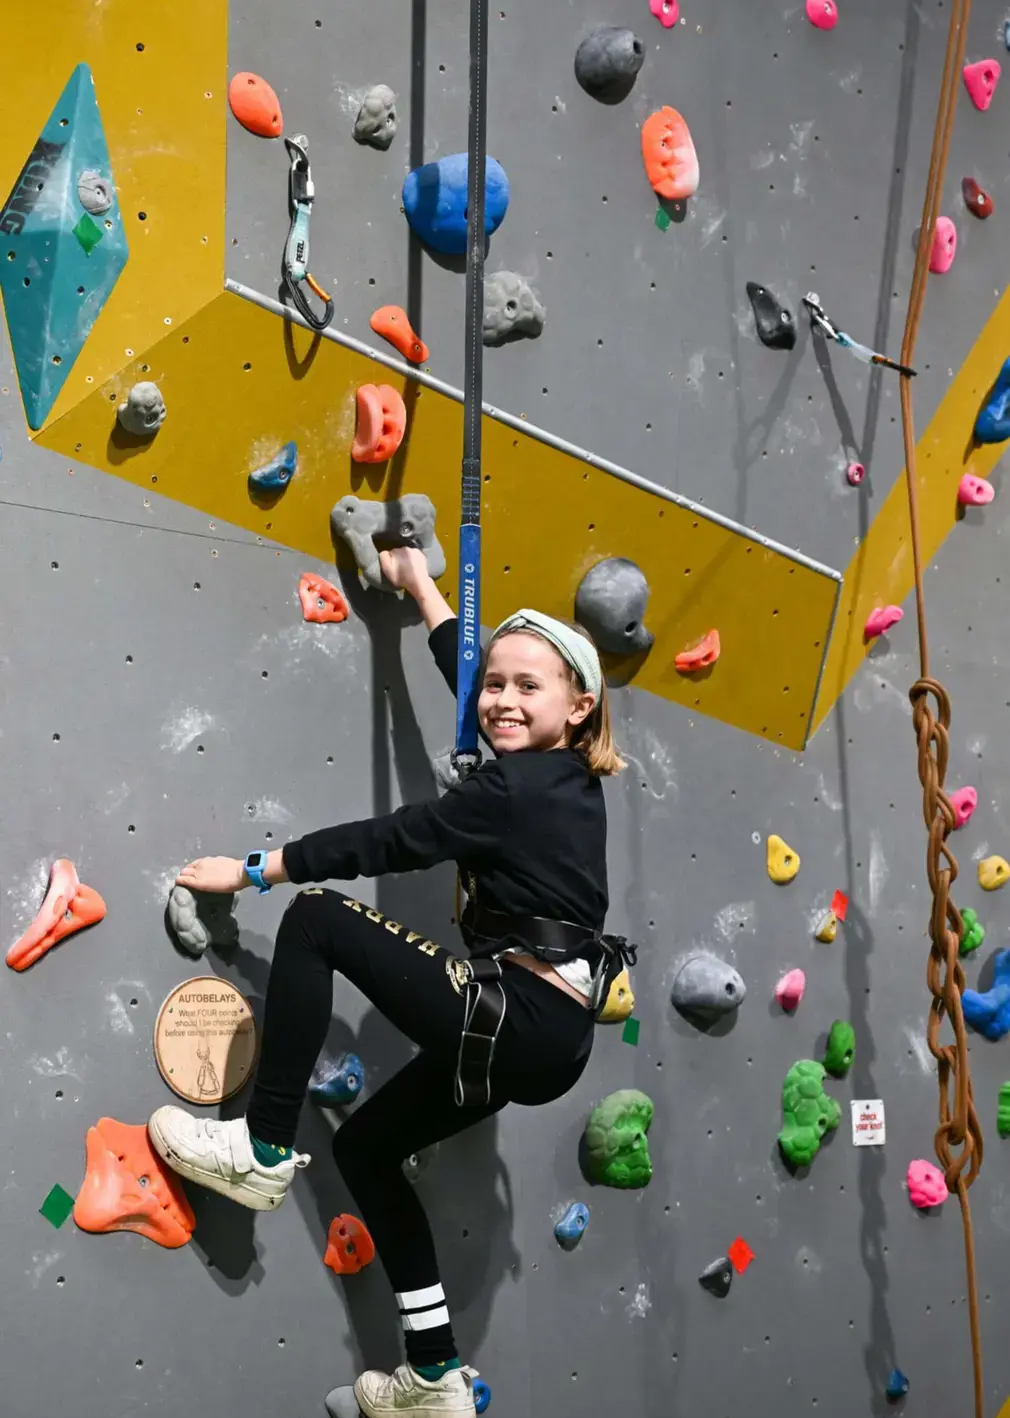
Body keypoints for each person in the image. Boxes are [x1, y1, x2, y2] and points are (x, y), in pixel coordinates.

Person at [148, 546, 627, 1418]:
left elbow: (392, 839)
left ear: (581, 705)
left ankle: (257, 1148)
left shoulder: (513, 789)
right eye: (498, 685)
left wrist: (256, 869)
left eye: (529, 689)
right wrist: (421, 590)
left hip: (515, 1016)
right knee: (367, 1149)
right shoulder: (564, 782)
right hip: (548, 1044)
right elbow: (474, 688)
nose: (504, 701)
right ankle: (435, 1374)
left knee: (317, 918)